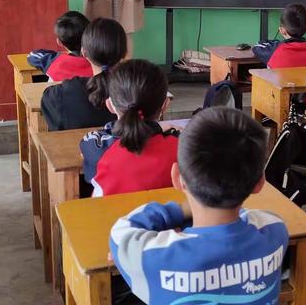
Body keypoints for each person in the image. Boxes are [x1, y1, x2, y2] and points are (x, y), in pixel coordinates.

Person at [109, 107, 289, 305]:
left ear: (177, 178)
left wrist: (182, 210)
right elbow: (250, 218)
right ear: (259, 182)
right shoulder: (274, 230)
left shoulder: (158, 255)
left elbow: (121, 232)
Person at [80, 59, 178, 197]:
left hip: (110, 218)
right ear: (165, 104)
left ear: (109, 105)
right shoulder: (181, 147)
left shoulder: (98, 147)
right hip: (168, 218)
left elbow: (86, 143)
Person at [41, 17, 126, 131]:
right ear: (125, 53)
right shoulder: (138, 89)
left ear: (84, 52)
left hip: (73, 148)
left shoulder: (61, 94)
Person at [252, 2, 306, 68]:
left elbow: (257, 46)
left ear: (282, 30)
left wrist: (276, 43)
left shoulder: (274, 50)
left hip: (279, 83)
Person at [27, 11, 92, 81]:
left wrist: (57, 55)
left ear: (59, 42)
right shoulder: (98, 63)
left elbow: (32, 55)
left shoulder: (55, 62)